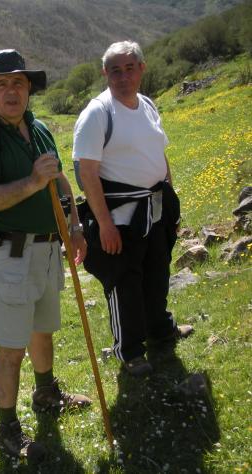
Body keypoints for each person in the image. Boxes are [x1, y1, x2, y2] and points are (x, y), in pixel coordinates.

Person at [0, 49, 91, 460]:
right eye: (0, 84)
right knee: (12, 348)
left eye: (18, 82)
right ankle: (7, 430)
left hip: (47, 249)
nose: (11, 91)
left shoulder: (38, 129)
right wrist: (32, 183)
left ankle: (46, 393)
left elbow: (59, 178)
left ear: (29, 88)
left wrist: (74, 226)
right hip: (8, 255)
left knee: (42, 330)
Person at [72, 41, 193, 377]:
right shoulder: (98, 113)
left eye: (129, 68)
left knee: (157, 270)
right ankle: (130, 351)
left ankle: (160, 329)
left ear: (142, 68)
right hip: (120, 214)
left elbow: (159, 154)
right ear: (105, 73)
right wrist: (105, 224)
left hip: (155, 207)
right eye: (115, 70)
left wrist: (170, 197)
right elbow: (87, 173)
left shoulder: (148, 105)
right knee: (124, 279)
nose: (123, 77)